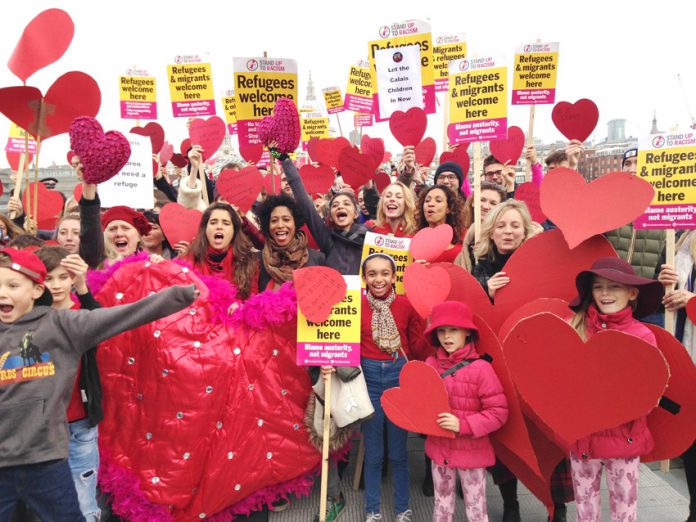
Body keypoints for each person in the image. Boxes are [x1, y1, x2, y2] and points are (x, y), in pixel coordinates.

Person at [0, 247, 198, 520]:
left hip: (46, 462)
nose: (2, 293)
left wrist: (177, 296)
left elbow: (123, 316)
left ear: (36, 290)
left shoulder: (62, 325)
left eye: (12, 285)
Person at [569, 257, 663, 522]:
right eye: (598, 287)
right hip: (582, 437)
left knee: (625, 510)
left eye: (614, 286)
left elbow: (648, 391)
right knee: (585, 510)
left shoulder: (643, 336)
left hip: (623, 437)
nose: (605, 293)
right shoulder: (576, 328)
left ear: (632, 292)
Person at [360, 253, 432, 522]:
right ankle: (372, 510)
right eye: (372, 274)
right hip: (368, 380)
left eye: (384, 273)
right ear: (364, 278)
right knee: (374, 452)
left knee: (399, 452)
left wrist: (429, 320)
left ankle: (403, 509)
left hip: (398, 377)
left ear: (393, 277)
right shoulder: (354, 305)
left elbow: (418, 347)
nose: (378, 279)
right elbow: (346, 345)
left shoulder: (406, 305)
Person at [424, 301, 509, 522]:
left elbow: (499, 412)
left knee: (476, 508)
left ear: (467, 333)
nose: (447, 336)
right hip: (440, 449)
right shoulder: (430, 365)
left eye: (453, 329)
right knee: (441, 506)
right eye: (441, 330)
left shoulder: (482, 369)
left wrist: (464, 425)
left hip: (472, 451)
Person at [35, 246, 102, 521]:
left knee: (84, 501)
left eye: (64, 277)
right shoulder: (30, 317)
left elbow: (99, 325)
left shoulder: (83, 310)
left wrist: (83, 287)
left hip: (80, 424)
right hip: (41, 427)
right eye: (49, 279)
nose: (57, 285)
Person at [656, 232, 696, 522]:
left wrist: (692, 299)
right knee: (691, 440)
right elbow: (664, 306)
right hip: (687, 354)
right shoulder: (679, 243)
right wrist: (666, 284)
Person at [605, 147, 666, 326]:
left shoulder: (665, 212)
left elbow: (676, 264)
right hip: (610, 303)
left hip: (650, 308)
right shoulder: (610, 209)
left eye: (638, 163)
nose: (632, 168)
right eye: (627, 163)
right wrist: (571, 164)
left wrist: (667, 281)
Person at [281, 155, 367, 275]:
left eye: (346, 204)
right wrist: (283, 159)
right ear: (330, 215)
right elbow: (304, 202)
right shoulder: (327, 238)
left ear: (356, 213)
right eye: (335, 205)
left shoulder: (369, 237)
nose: (341, 207)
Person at [186, 202, 258, 299]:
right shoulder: (188, 260)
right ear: (205, 229)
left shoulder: (248, 262)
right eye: (213, 222)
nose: (219, 227)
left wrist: (240, 306)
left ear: (234, 231)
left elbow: (253, 300)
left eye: (226, 223)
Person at [254, 194, 325, 291]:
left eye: (286, 219)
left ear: (295, 223)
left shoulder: (318, 259)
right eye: (274, 221)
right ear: (268, 225)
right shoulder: (255, 261)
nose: (280, 225)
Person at [473, 200, 537, 299]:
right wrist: (487, 293)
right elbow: (473, 304)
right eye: (500, 226)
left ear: (524, 233)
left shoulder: (534, 264)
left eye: (515, 226)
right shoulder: (481, 266)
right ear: (491, 233)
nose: (508, 231)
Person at [459, 182, 508, 272]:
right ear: (473, 202)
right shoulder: (459, 230)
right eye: (482, 200)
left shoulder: (504, 236)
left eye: (493, 203)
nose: (485, 206)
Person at [417, 185, 464, 263]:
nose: (430, 204)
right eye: (427, 201)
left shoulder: (459, 253)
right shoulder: (412, 246)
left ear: (448, 208)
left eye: (438, 201)